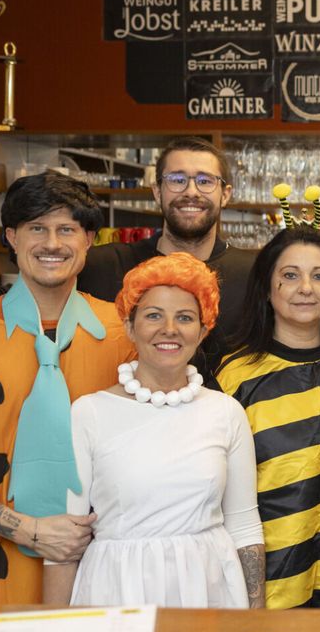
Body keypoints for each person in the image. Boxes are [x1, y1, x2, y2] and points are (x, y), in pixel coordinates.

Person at [0, 172, 133, 604]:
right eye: (37, 228)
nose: (52, 243)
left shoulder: (127, 334)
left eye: (66, 229)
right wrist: (30, 530)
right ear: (12, 238)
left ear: (89, 239)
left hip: (100, 565)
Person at [0, 136, 254, 379]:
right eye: (177, 180)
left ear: (225, 194)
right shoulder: (103, 264)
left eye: (205, 181)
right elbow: (11, 298)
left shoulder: (255, 271)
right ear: (157, 191)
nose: (191, 192)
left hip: (230, 431)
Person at [43, 254, 265, 608]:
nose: (170, 329)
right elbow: (65, 541)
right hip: (115, 588)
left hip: (209, 589)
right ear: (130, 327)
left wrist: (255, 619)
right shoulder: (89, 412)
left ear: (204, 330)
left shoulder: (226, 412)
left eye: (185, 318)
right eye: (153, 315)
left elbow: (244, 527)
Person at [216, 227, 320, 610]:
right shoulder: (236, 378)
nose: (306, 287)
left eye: (319, 276)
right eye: (290, 275)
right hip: (271, 586)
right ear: (266, 288)